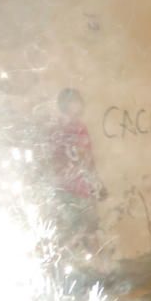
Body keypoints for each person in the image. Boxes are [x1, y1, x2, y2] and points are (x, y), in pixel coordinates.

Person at [50, 88, 107, 257]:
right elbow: (86, 159)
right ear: (68, 104)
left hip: (65, 187)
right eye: (76, 101)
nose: (79, 104)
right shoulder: (78, 128)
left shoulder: (55, 129)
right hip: (80, 187)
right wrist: (96, 184)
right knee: (89, 230)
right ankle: (100, 267)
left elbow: (55, 160)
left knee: (75, 232)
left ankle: (89, 266)